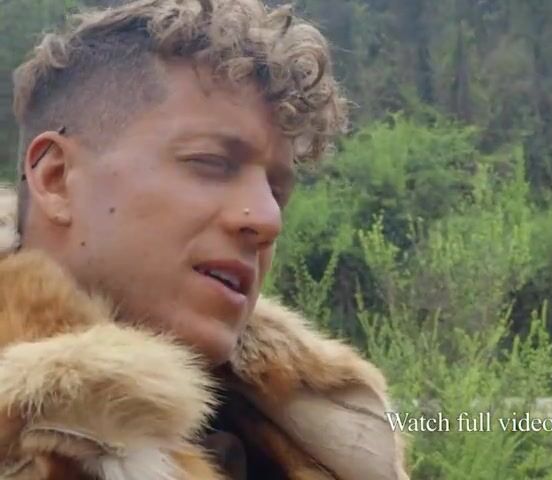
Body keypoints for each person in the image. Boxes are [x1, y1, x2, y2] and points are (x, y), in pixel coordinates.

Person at [0, 0, 408, 479]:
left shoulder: (317, 445)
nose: (268, 220)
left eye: (277, 192)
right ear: (56, 178)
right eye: (211, 163)